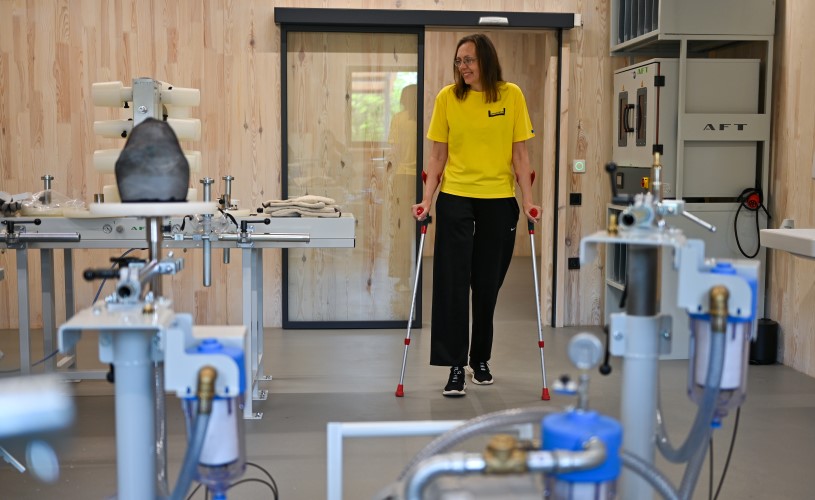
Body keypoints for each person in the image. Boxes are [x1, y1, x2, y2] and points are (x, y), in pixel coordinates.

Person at [412, 34, 540, 397]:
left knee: (487, 284)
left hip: (498, 201)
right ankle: (454, 365)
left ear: (485, 59)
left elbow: (521, 157)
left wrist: (529, 202)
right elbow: (437, 157)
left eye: (468, 60)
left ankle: (479, 357)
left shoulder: (511, 95)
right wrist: (427, 200)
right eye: (458, 62)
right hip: (455, 198)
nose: (463, 67)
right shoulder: (448, 98)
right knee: (452, 282)